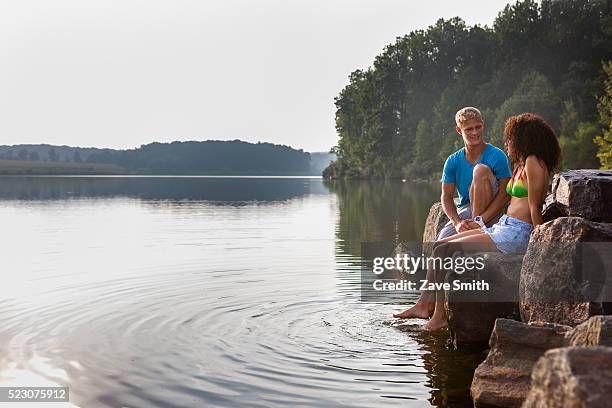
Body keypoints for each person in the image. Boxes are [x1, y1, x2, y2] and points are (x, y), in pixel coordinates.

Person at [401, 112, 561, 331]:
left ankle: (438, 318)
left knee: (445, 249)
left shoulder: (534, 163)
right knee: (440, 247)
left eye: (511, 138)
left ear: (525, 138)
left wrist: (539, 249)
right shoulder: (522, 164)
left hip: (516, 235)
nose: (508, 143)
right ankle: (433, 312)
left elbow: (534, 207)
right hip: (504, 227)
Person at [393, 107, 511, 319]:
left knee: (481, 170)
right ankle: (425, 304)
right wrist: (456, 222)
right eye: (469, 129)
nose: (475, 133)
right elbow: (446, 197)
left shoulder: (496, 155)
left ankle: (437, 306)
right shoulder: (453, 160)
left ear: (483, 125)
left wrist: (480, 220)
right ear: (459, 131)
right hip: (466, 209)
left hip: (493, 210)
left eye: (478, 127)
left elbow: (504, 194)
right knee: (441, 243)